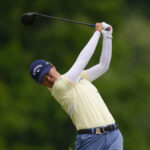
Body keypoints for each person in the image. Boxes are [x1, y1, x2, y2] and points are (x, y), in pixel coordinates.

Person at [29, 22, 123, 150]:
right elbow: (82, 60)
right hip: (90, 140)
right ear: (42, 85)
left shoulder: (79, 77)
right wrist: (97, 32)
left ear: (52, 66)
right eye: (44, 80)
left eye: (48, 73)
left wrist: (107, 35)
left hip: (113, 135)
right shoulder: (59, 88)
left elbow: (103, 66)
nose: (49, 79)